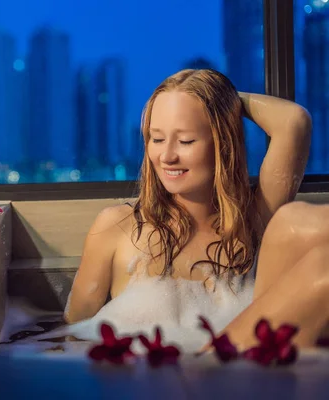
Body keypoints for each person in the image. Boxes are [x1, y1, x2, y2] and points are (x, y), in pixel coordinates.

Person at [64, 68, 323, 351]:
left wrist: (221, 101)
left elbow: (293, 121)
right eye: (157, 139)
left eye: (186, 141)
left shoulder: (255, 218)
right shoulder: (116, 228)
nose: (167, 156)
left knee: (299, 222)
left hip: (235, 383)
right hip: (159, 384)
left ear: (224, 144)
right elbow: (72, 336)